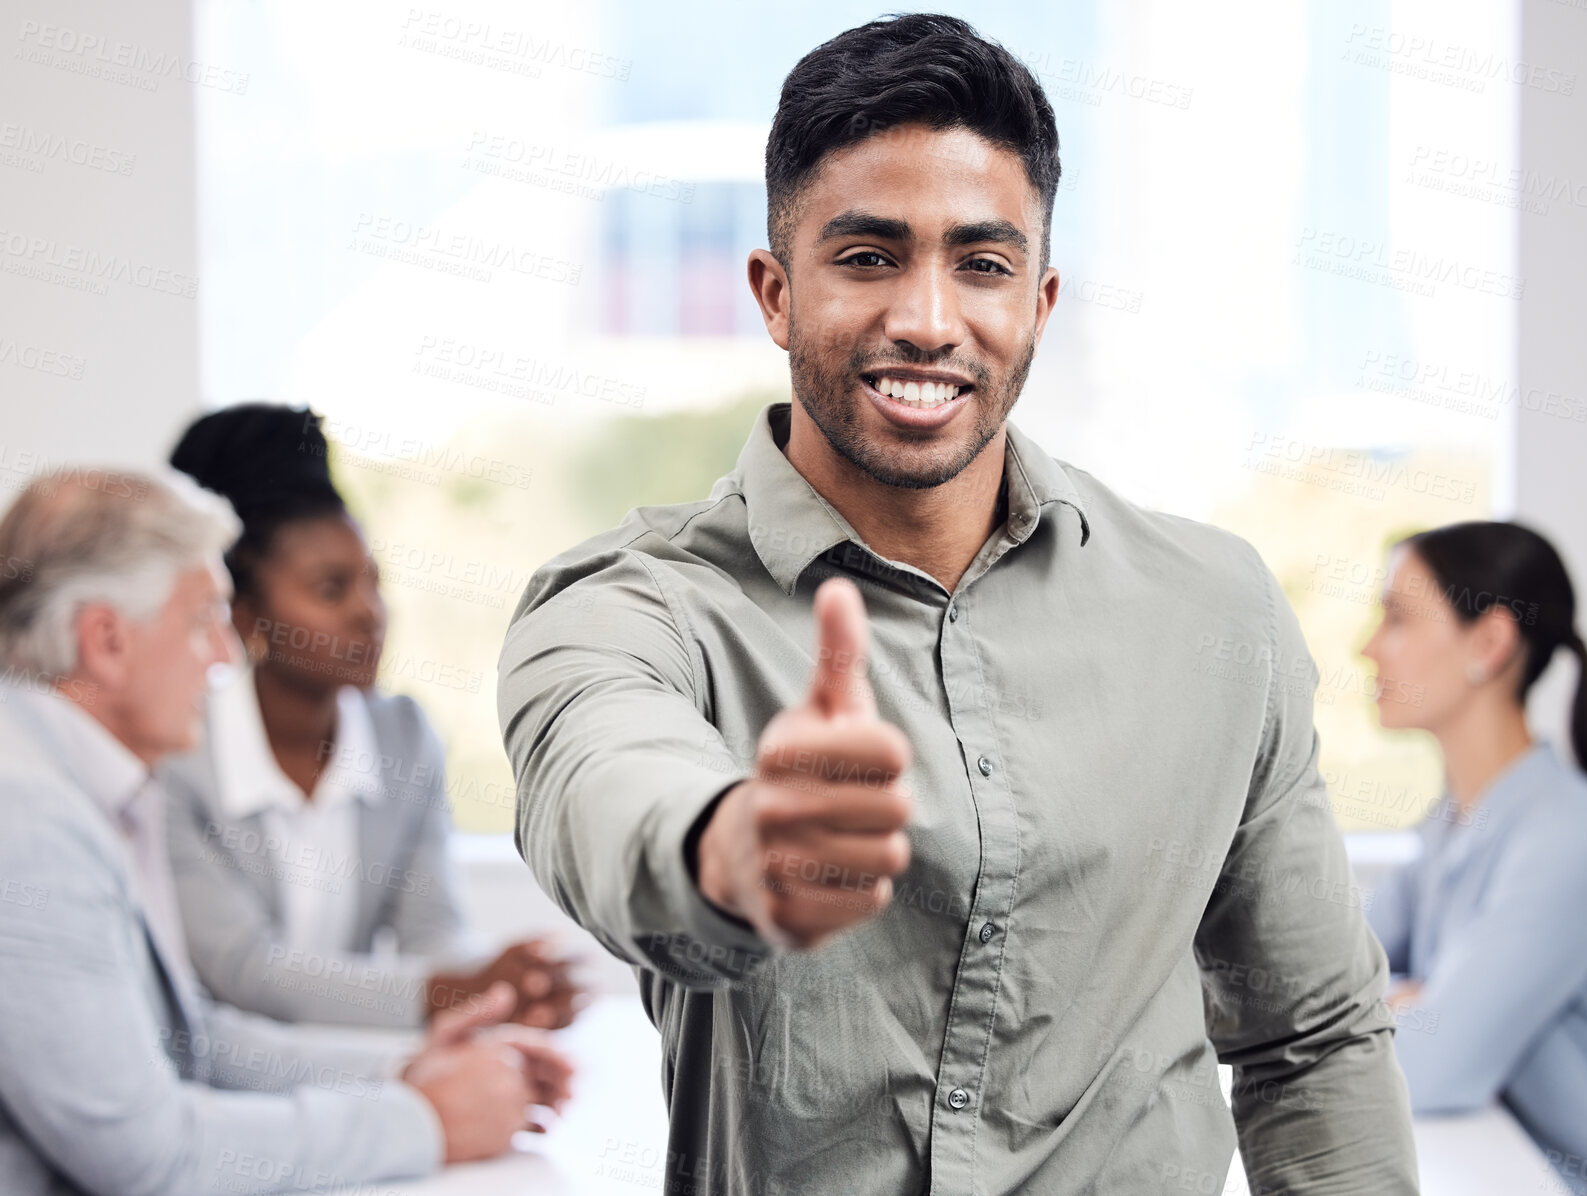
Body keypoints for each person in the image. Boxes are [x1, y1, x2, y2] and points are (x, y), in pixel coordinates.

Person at [497, 13, 1419, 1194]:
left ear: (1036, 301)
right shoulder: (631, 605)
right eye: (869, 256)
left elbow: (1311, 1043)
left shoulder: (1215, 609)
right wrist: (732, 845)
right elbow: (605, 777)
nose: (928, 319)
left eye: (979, 264)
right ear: (775, 293)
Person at [0, 467, 572, 1196]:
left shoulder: (83, 782)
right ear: (106, 641)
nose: (222, 657)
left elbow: (185, 1040)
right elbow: (149, 1156)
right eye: (203, 620)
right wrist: (425, 1121)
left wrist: (407, 1069)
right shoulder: (28, 818)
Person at [159, 402, 585, 1031]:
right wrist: (451, 992)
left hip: (360, 1078)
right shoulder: (180, 753)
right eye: (331, 589)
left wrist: (500, 993)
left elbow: (433, 933)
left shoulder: (404, 737)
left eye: (373, 582)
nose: (370, 614)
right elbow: (244, 971)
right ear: (245, 616)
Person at [1361, 521, 1587, 1196]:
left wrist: (1421, 1007)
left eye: (1397, 619)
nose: (1367, 649)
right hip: (1512, 1165)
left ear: (1491, 642)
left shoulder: (1568, 839)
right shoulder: (1451, 825)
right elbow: (1326, 976)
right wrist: (1411, 1001)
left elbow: (1431, 1067)